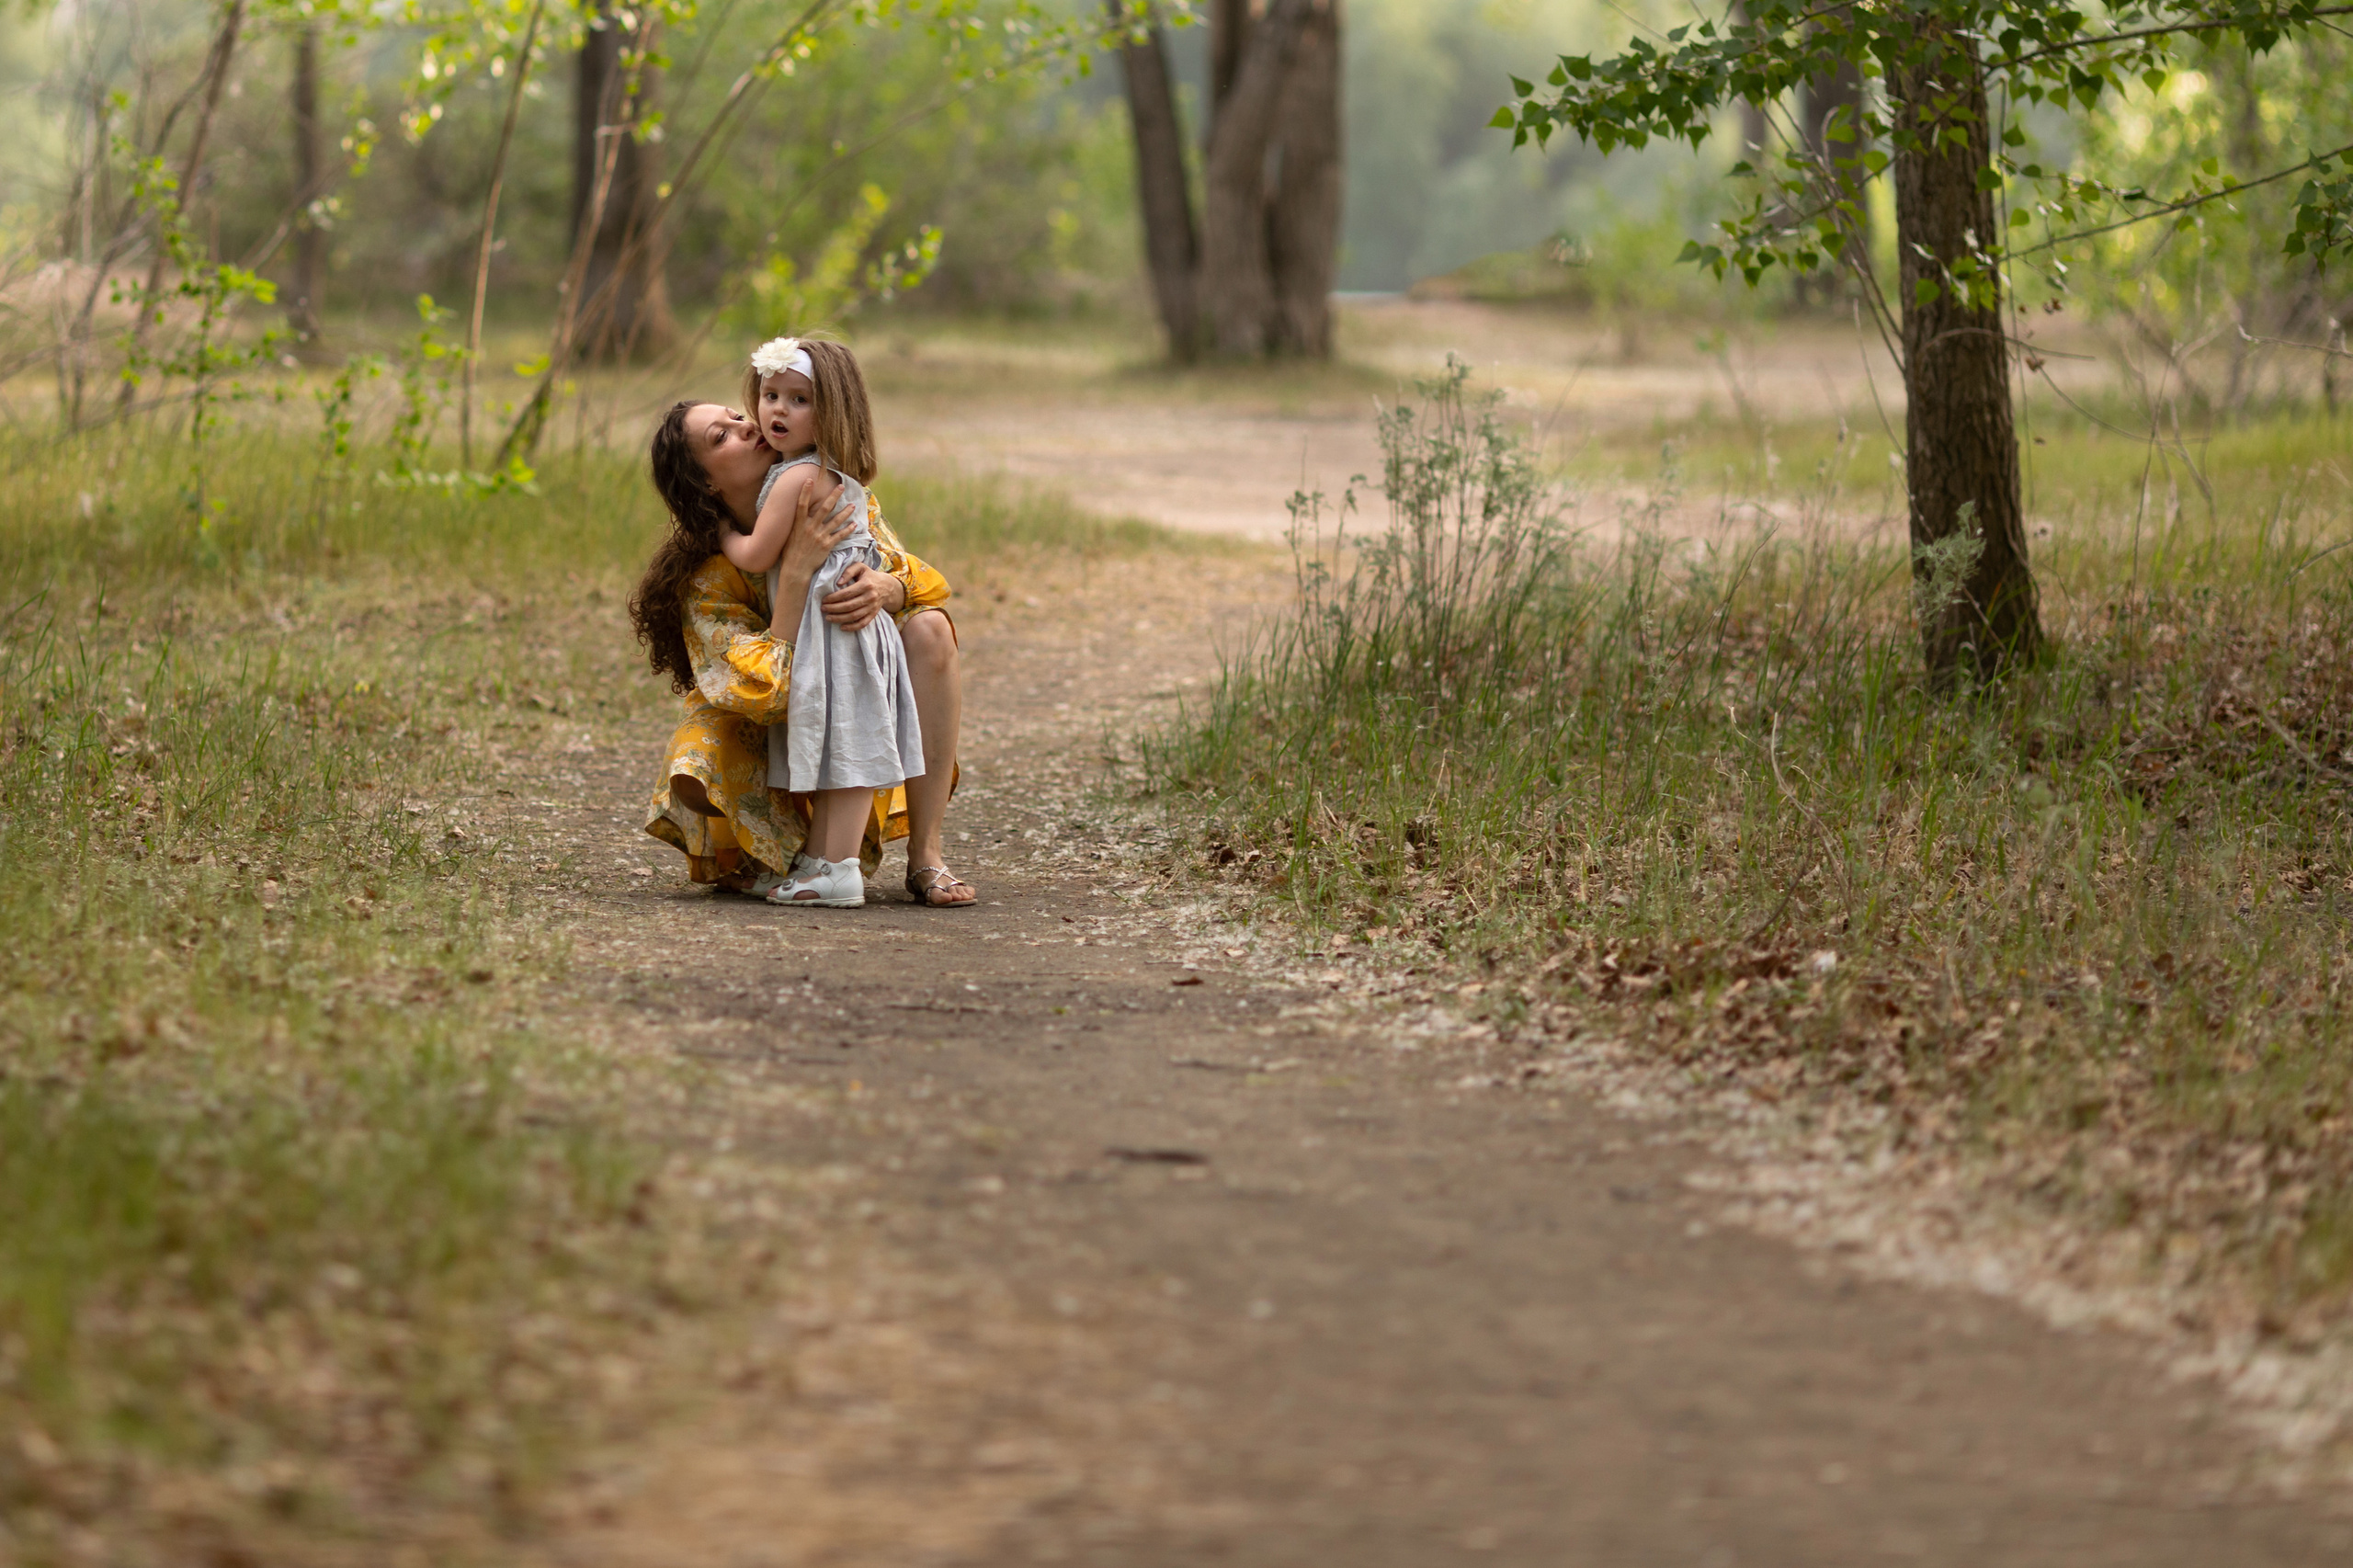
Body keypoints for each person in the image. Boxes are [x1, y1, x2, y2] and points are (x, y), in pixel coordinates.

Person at [631, 396, 977, 908]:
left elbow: (929, 586)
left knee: (929, 630)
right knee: (697, 760)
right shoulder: (711, 578)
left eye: (734, 416)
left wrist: (887, 588)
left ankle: (926, 855)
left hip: (850, 700)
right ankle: (797, 856)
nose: (746, 426)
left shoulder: (826, 495)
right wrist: (793, 578)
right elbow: (763, 694)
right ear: (705, 482)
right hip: (767, 728)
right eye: (720, 437)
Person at [714, 336, 923, 907]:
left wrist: (722, 534)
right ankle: (822, 860)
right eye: (770, 394)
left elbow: (757, 556)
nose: (778, 410)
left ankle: (839, 867)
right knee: (839, 746)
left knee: (849, 746)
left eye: (799, 400)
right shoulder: (818, 472)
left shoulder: (795, 478)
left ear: (833, 410)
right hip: (840, 630)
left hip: (839, 632)